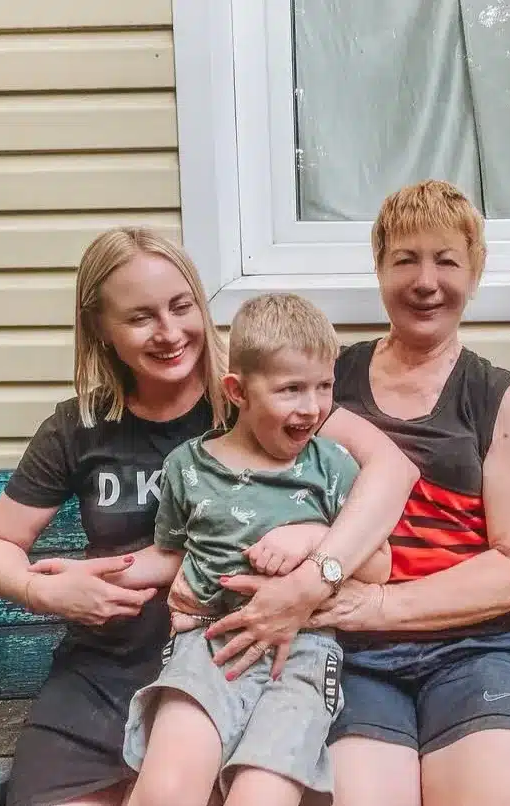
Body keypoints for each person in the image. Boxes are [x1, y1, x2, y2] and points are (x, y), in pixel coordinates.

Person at [170, 180, 510, 806]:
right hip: (346, 656)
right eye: (405, 260)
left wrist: (373, 604)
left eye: (446, 260)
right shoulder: (328, 383)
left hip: (478, 650)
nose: (426, 281)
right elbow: (251, 482)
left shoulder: (498, 397)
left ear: (475, 271)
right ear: (380, 269)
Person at [0, 228, 417, 806]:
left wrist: (314, 574)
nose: (170, 332)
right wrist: (42, 590)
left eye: (182, 307)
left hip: (239, 653)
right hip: (106, 670)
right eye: (140, 318)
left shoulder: (259, 400)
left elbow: (391, 472)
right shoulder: (77, 427)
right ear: (101, 329)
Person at [114, 293, 392, 806]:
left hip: (301, 660)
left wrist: (313, 536)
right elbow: (170, 554)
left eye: (324, 386)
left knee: (260, 796)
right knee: (165, 788)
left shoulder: (331, 467)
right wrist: (93, 577)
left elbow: (380, 565)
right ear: (238, 391)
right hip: (207, 648)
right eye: (290, 389)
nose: (311, 407)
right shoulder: (188, 467)